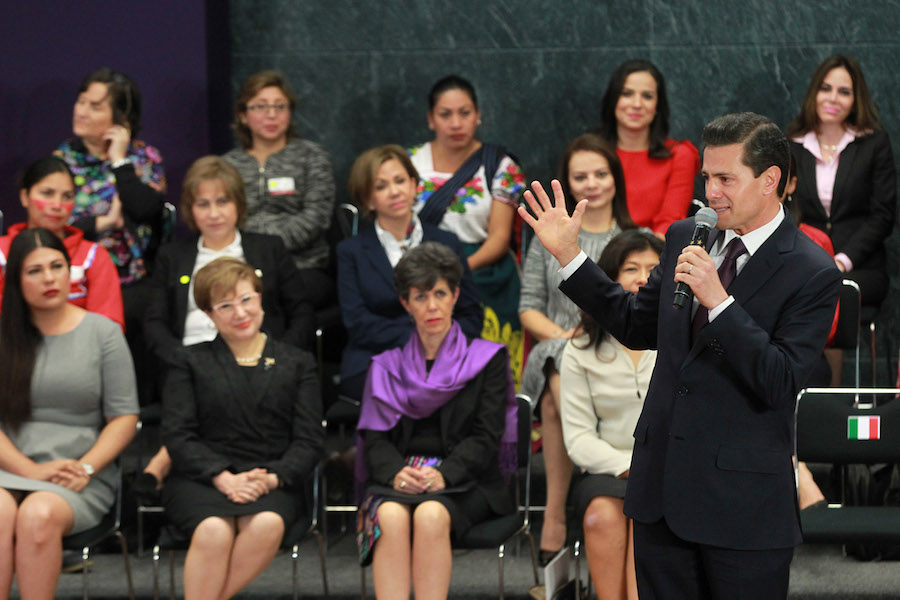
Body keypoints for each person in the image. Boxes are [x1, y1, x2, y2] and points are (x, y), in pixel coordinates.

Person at [520, 113, 841, 598]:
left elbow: (779, 380)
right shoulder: (686, 236)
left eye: (726, 179)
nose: (711, 193)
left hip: (743, 506)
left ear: (770, 179)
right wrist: (570, 257)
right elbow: (635, 324)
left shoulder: (812, 270)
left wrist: (720, 303)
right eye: (707, 178)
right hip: (662, 492)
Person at [138, 156, 315, 496]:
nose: (214, 213)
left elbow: (302, 312)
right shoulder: (172, 256)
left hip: (259, 362)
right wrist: (183, 362)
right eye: (203, 204)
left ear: (239, 204)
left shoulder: (268, 249)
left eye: (222, 201)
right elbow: (155, 323)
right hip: (190, 366)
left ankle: (163, 460)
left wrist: (279, 358)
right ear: (190, 210)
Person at [355, 242, 517, 599]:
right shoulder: (386, 365)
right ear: (405, 303)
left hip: (467, 480)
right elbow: (375, 440)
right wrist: (396, 473)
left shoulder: (487, 359)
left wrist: (445, 473)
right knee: (390, 516)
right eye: (420, 296)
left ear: (455, 296)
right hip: (401, 478)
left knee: (430, 514)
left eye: (440, 294)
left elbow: (486, 436)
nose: (432, 306)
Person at [161, 257, 323, 600]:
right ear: (208, 314)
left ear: (260, 299)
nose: (240, 312)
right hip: (202, 479)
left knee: (267, 523)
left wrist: (272, 478)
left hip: (273, 479)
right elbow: (178, 434)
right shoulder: (188, 360)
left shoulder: (297, 362)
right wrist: (223, 477)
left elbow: (309, 440)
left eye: (246, 299)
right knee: (213, 530)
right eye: (225, 306)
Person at [0, 228, 138, 599]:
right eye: (35, 271)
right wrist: (29, 470)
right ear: (16, 281)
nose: (49, 278)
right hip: (9, 466)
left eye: (57, 266)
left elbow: (124, 417)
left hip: (77, 473)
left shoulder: (103, 333)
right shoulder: (4, 336)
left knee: (38, 515)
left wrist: (87, 467)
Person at [518, 133, 636, 563]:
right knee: (558, 379)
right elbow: (528, 309)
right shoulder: (547, 236)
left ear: (615, 178)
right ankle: (556, 512)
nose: (592, 184)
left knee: (568, 386)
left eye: (600, 174)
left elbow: (641, 311)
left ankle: (592, 487)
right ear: (567, 183)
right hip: (557, 343)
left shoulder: (635, 238)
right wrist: (568, 338)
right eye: (580, 176)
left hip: (617, 348)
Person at [560, 230, 662, 600]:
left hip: (667, 468)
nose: (642, 278)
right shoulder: (580, 348)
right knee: (601, 516)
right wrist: (628, 466)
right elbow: (578, 439)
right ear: (609, 280)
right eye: (631, 269)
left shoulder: (681, 339)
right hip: (607, 470)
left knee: (647, 518)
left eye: (653, 270)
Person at [337, 144, 483, 400]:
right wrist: (419, 340)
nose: (394, 192)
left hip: (446, 354)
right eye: (381, 186)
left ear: (414, 184)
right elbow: (357, 322)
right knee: (416, 390)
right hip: (377, 357)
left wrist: (441, 344)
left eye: (400, 181)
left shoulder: (447, 242)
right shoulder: (351, 252)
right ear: (368, 198)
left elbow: (471, 313)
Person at [409, 75, 527, 384]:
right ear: (431, 119)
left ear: (478, 115)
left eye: (464, 113)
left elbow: (499, 239)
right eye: (445, 114)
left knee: (490, 373)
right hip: (420, 270)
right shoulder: (408, 164)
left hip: (484, 271)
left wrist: (453, 272)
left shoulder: (500, 166)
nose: (456, 123)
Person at [785, 55, 896, 310]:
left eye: (844, 92)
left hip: (860, 266)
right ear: (814, 93)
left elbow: (882, 216)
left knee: (824, 294)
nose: (833, 98)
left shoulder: (874, 144)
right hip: (806, 261)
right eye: (826, 88)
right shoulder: (793, 144)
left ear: (856, 100)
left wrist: (842, 261)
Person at [223, 70, 336, 308]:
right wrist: (251, 252)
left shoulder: (312, 157)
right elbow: (224, 220)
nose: (272, 115)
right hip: (240, 265)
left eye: (280, 106)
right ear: (243, 116)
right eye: (261, 107)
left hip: (302, 265)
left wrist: (266, 249)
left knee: (272, 295)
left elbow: (316, 218)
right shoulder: (228, 165)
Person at [0, 157, 123, 330]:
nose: (57, 205)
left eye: (67, 196)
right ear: (24, 197)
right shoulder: (1, 253)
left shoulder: (93, 256)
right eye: (47, 193)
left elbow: (107, 330)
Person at [597, 59, 700, 237]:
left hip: (655, 249)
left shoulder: (680, 155)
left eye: (647, 96)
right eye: (627, 94)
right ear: (613, 100)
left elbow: (670, 223)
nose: (637, 104)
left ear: (657, 106)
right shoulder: (591, 153)